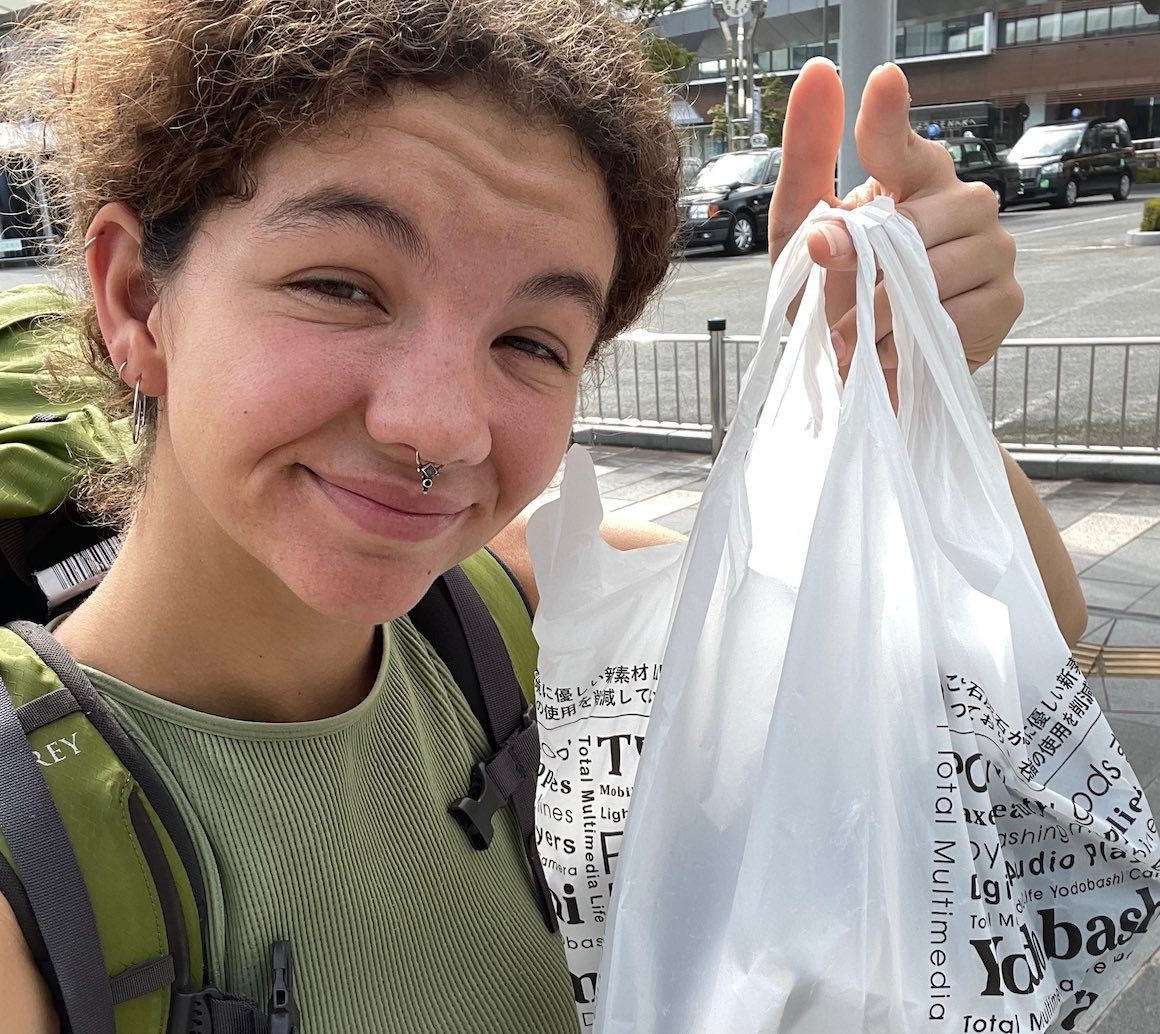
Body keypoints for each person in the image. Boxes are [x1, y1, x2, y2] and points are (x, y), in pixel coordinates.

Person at [0, 1, 1085, 1031]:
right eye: (341, 286)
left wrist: (888, 390)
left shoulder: (513, 612)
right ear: (137, 297)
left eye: (529, 341)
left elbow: (1010, 638)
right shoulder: (28, 857)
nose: (438, 427)